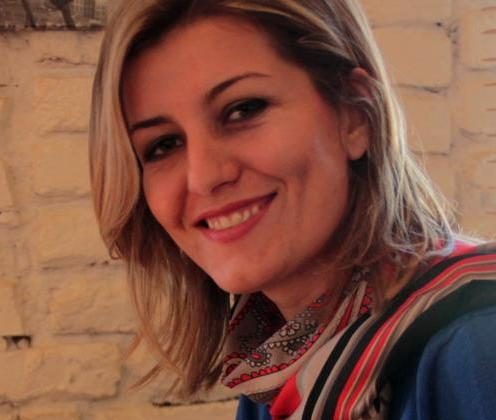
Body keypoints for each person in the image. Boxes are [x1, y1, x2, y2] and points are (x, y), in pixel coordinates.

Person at [88, 0, 496, 419]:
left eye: (244, 109)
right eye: (164, 145)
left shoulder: (476, 346)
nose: (204, 176)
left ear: (355, 116)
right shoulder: (277, 362)